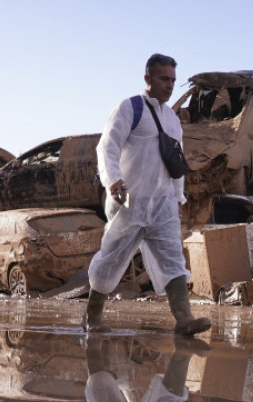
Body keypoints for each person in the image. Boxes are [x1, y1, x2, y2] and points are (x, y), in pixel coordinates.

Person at [84, 53, 210, 335]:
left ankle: (184, 319)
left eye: (173, 80)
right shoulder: (130, 108)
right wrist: (113, 180)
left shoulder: (173, 120)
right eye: (164, 78)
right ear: (148, 79)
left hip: (163, 205)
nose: (169, 85)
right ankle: (92, 315)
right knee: (112, 258)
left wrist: (178, 199)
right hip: (129, 201)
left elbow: (175, 162)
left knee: (173, 259)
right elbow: (108, 147)